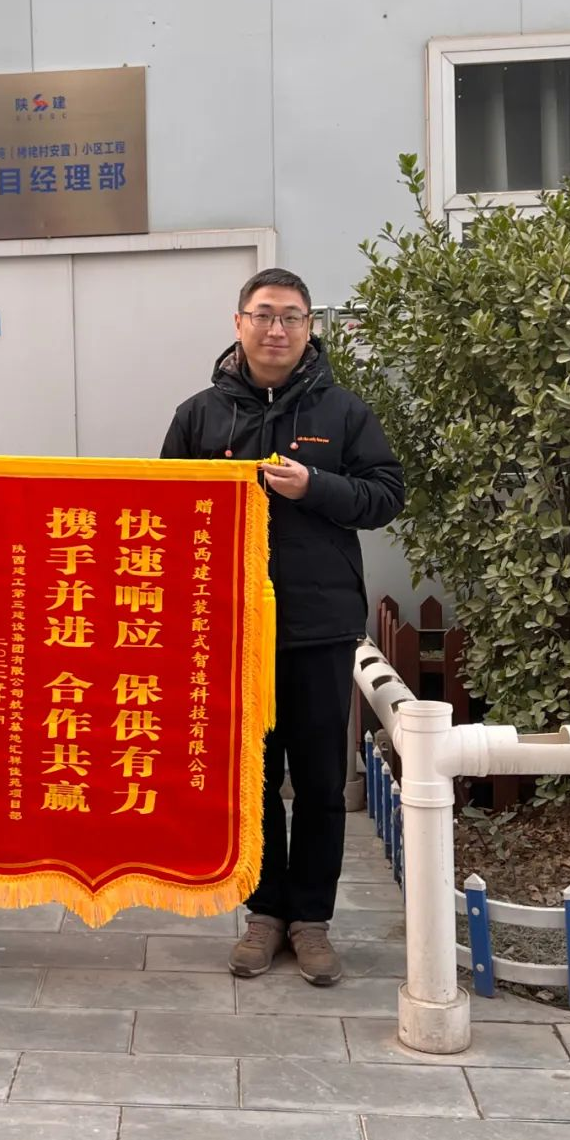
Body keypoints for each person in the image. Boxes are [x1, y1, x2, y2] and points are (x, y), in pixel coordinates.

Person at [161, 267, 404, 986]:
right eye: (263, 314)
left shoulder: (344, 411)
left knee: (323, 781)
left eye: (291, 316)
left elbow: (386, 494)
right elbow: (164, 508)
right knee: (254, 780)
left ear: (309, 327)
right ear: (238, 322)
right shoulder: (199, 416)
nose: (277, 329)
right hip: (232, 629)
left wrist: (316, 485)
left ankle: (312, 920)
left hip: (320, 627)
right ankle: (264, 913)